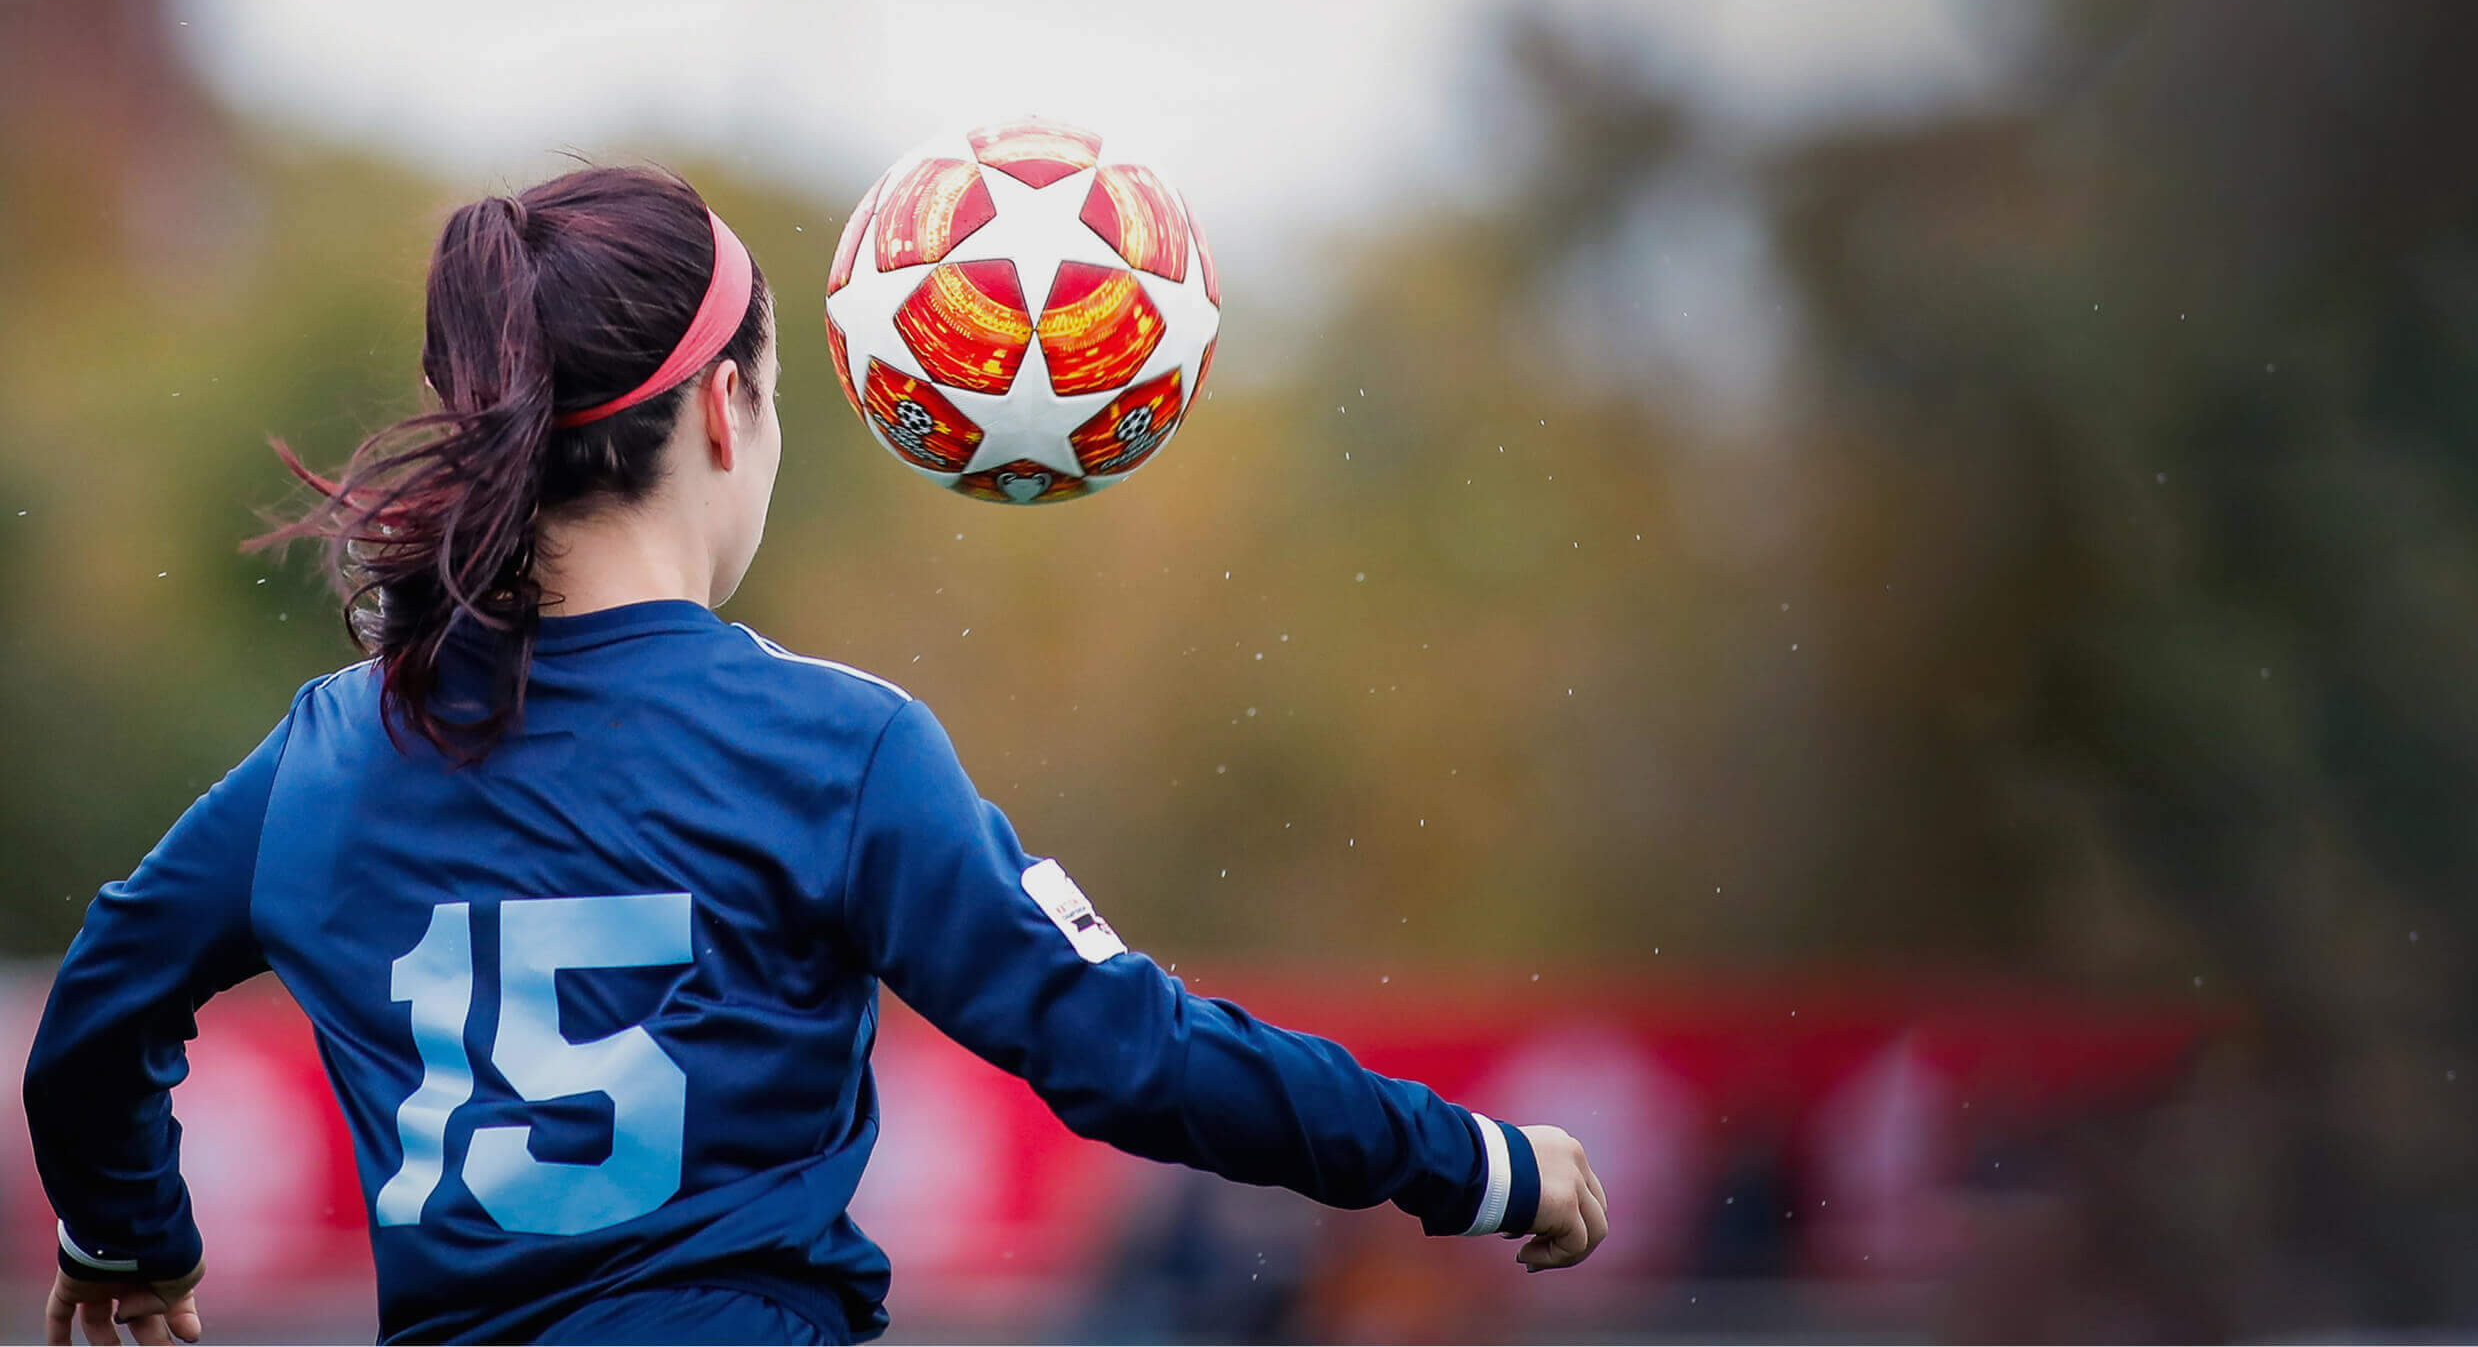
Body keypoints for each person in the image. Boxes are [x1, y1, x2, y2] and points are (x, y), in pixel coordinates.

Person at [19, 166, 1607, 1346]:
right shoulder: (831, 750)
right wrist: (1466, 1160)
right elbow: (1126, 1050)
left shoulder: (330, 751)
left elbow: (94, 1017)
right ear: (725, 413)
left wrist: (126, 1240)